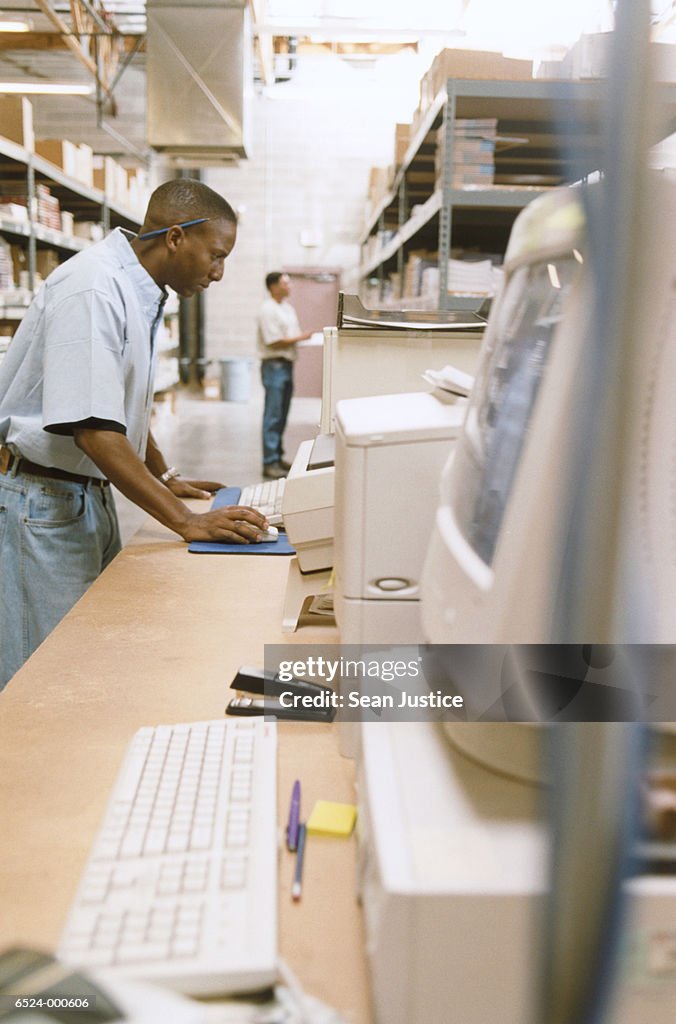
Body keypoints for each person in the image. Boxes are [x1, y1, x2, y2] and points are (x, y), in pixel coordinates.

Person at [0, 177, 269, 691]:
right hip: (39, 502)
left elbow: (118, 401)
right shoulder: (93, 288)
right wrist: (185, 521)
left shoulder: (138, 289)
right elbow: (95, 430)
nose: (218, 273)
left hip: (81, 497)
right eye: (215, 255)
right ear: (174, 237)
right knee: (42, 677)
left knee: (81, 653)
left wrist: (164, 473)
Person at [257, 272, 312, 479]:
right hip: (274, 366)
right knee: (272, 415)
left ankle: (277, 458)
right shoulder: (267, 310)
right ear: (273, 286)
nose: (289, 286)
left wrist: (300, 338)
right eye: (285, 283)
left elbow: (290, 337)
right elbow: (273, 341)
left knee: (282, 414)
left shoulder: (287, 309)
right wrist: (302, 337)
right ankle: (269, 462)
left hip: (287, 365)